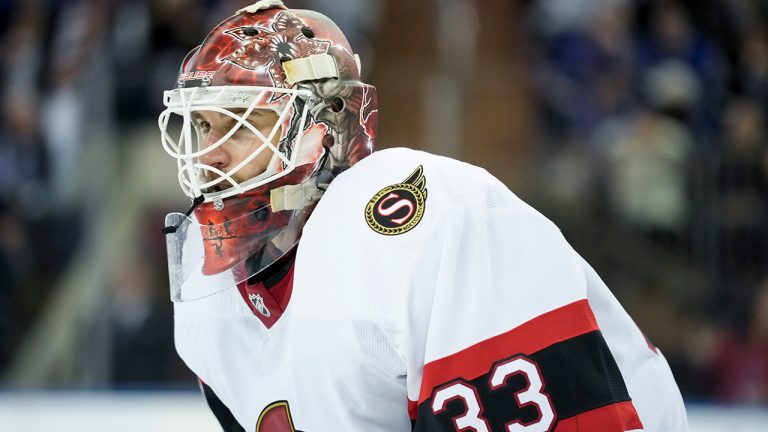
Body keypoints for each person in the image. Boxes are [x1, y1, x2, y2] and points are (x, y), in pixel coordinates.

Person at [158, 1, 689, 430]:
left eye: (241, 123)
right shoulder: (212, 297)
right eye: (201, 127)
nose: (210, 154)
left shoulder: (409, 226)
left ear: (326, 127)